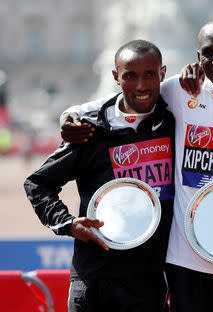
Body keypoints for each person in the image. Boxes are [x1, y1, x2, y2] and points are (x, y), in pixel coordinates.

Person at [60, 18, 213, 312]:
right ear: (198, 58)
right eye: (209, 53)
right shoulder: (181, 91)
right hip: (186, 263)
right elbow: (125, 97)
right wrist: (69, 115)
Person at [24, 39, 175, 312]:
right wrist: (68, 223)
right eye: (130, 76)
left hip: (149, 282)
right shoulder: (90, 131)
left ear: (162, 74)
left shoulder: (174, 123)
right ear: (116, 77)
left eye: (149, 75)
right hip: (93, 278)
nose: (141, 85)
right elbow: (38, 183)